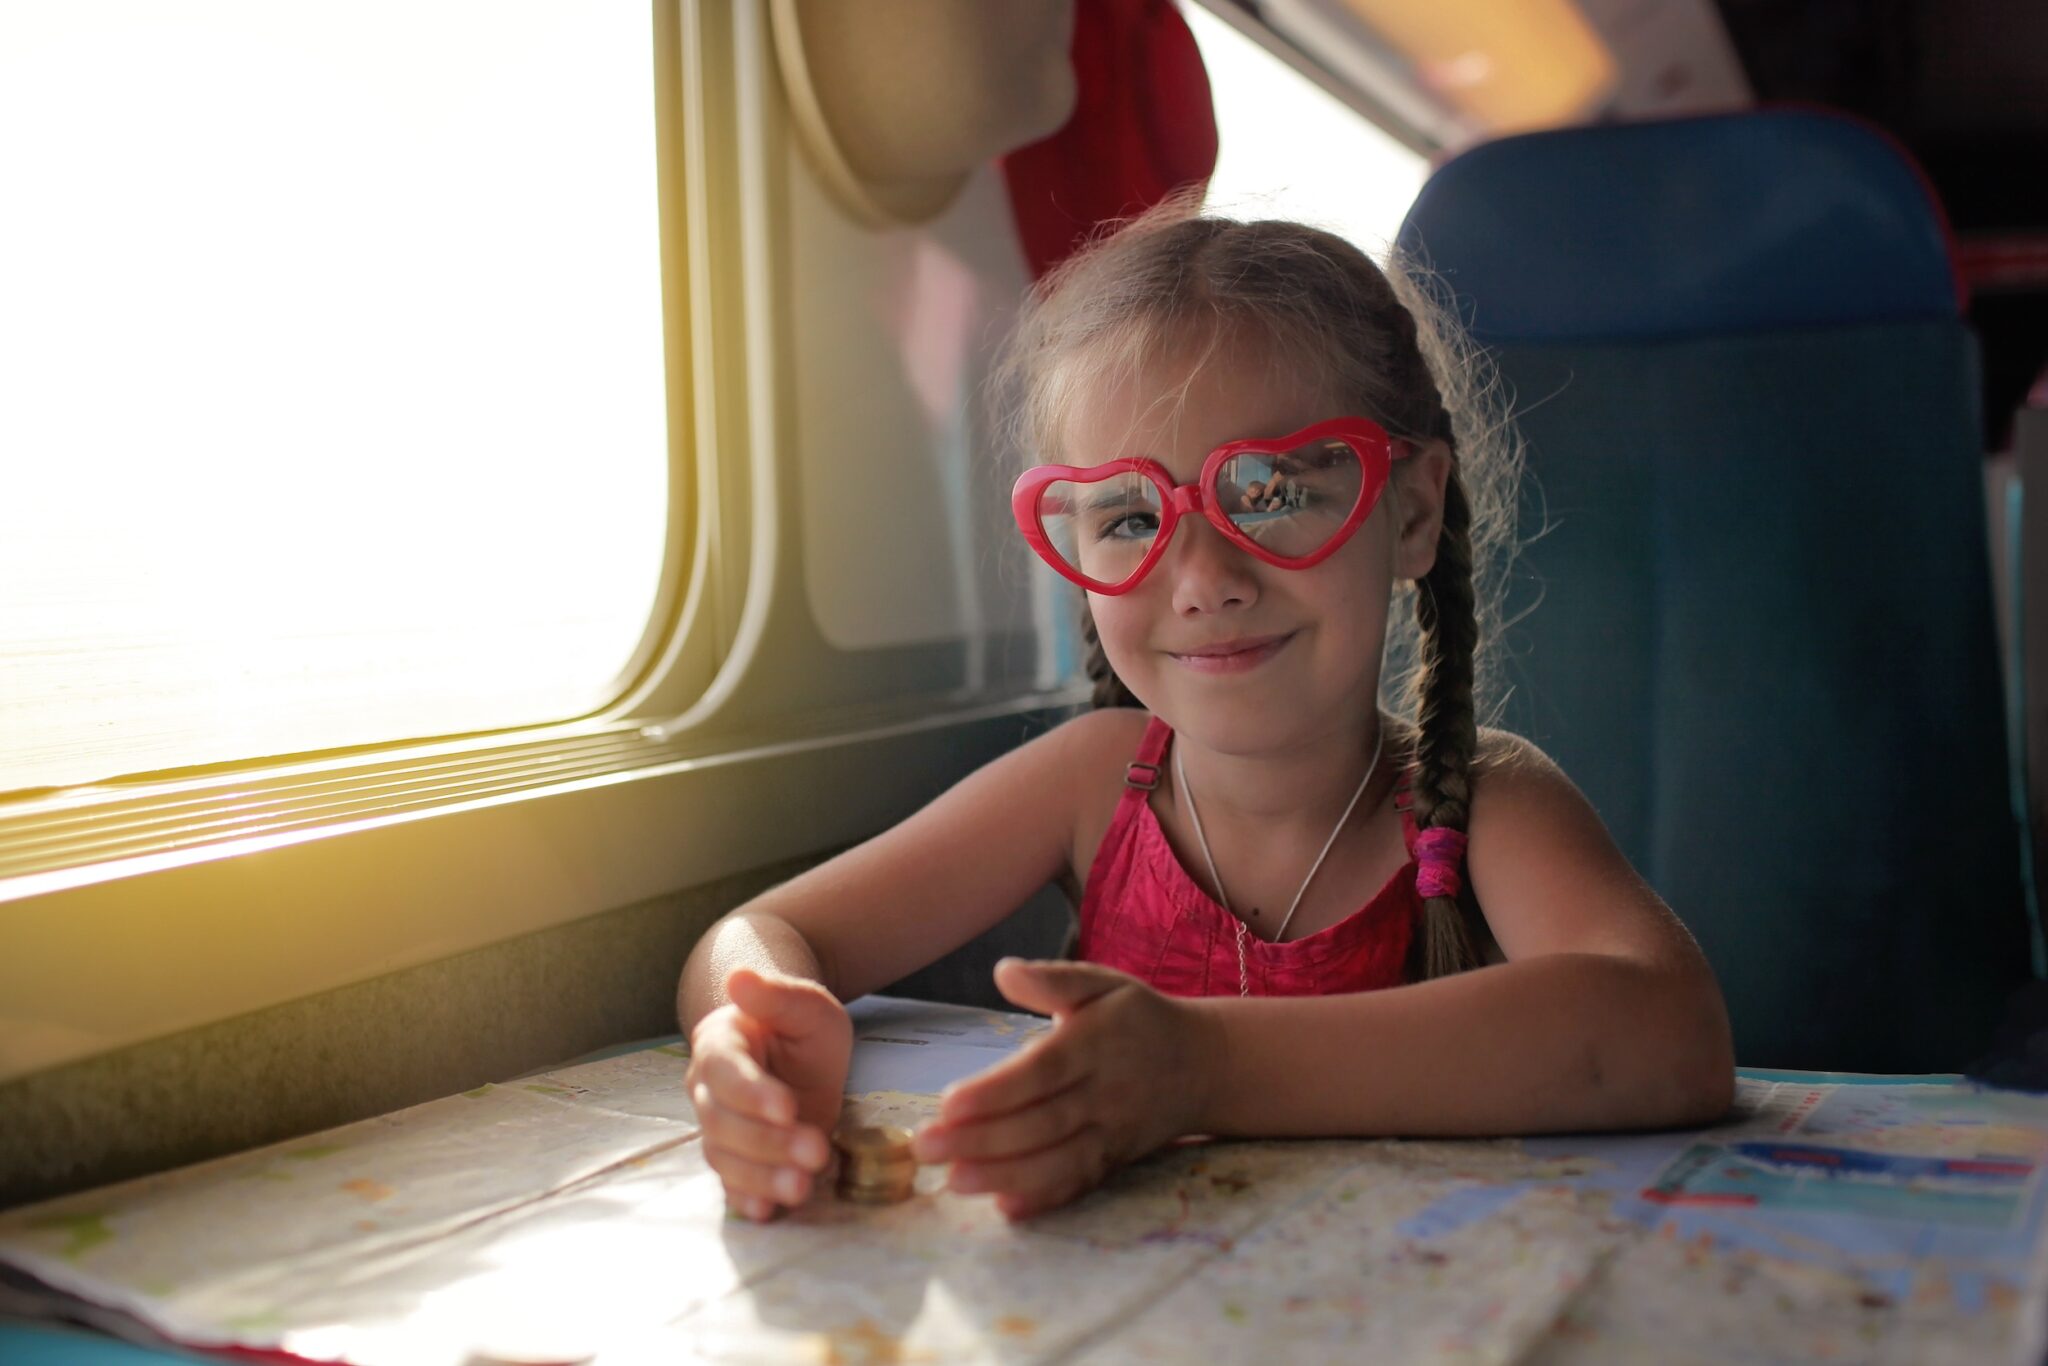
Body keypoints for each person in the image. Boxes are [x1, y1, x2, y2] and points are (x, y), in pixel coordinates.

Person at [677, 203, 1735, 1223]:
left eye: (1269, 492)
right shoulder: (1090, 781)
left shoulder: (1484, 800)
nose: (1199, 580)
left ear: (1408, 512)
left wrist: (1201, 1067)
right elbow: (763, 932)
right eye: (1131, 515)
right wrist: (756, 1020)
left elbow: (1666, 1030)